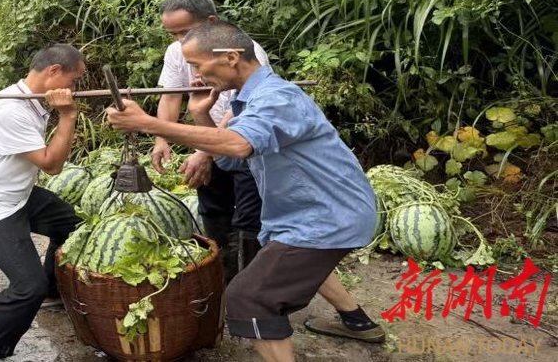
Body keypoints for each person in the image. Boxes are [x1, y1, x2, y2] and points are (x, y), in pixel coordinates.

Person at [107, 22, 385, 362]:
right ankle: (357, 321)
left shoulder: (276, 97)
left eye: (197, 65)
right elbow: (232, 160)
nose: (195, 74)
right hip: (311, 214)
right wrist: (200, 115)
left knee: (249, 297)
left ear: (231, 57)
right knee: (284, 261)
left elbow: (239, 144)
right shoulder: (249, 99)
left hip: (327, 217)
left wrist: (148, 123)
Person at [0, 45, 86, 362]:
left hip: (16, 193)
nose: (76, 88)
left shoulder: (30, 101)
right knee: (27, 286)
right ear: (54, 71)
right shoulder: (9, 110)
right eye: (74, 80)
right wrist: (68, 115)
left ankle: (52, 290)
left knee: (74, 228)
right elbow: (51, 165)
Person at [152, 0, 269, 282]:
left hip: (244, 144)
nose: (179, 40)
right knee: (213, 207)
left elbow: (239, 107)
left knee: (248, 216)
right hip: (207, 137)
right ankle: (224, 278)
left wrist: (204, 151)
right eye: (173, 34)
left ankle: (251, 284)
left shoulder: (244, 50)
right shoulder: (176, 52)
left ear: (211, 21)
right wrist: (161, 138)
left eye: (185, 31)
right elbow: (171, 97)